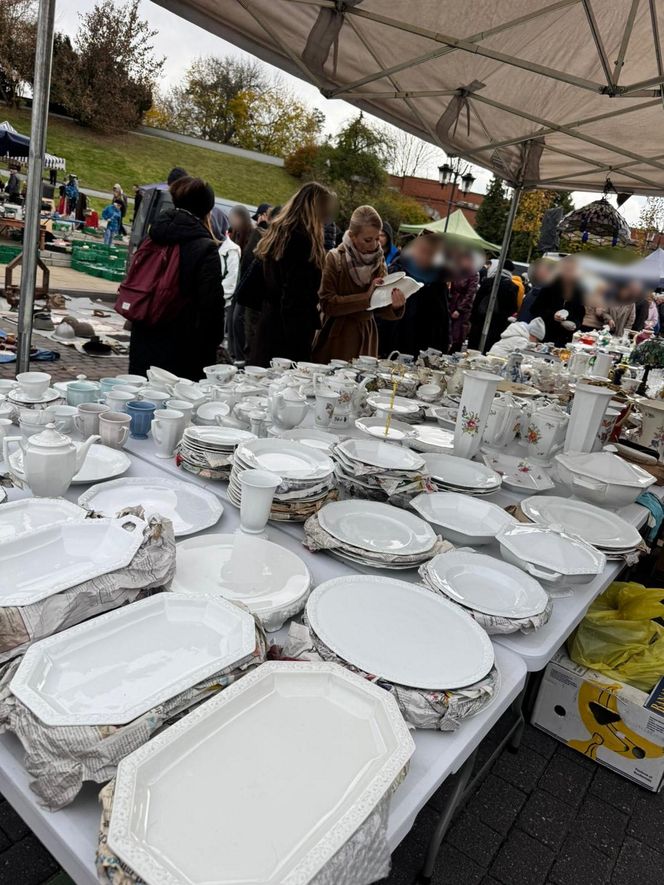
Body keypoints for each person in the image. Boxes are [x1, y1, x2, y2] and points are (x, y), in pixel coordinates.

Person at [129, 176, 224, 380]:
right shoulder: (204, 247)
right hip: (183, 346)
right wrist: (214, 343)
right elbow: (212, 305)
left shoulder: (153, 235)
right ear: (207, 209)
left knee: (141, 401)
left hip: (144, 333)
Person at [250, 181, 334, 365]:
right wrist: (300, 346)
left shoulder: (279, 235)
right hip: (287, 337)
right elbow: (295, 299)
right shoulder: (302, 243)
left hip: (268, 325)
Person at [312, 204, 406, 363]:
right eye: (368, 240)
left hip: (366, 338)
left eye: (377, 238)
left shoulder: (379, 260)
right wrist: (366, 297)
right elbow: (327, 303)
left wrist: (395, 305)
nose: (374, 245)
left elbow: (380, 306)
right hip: (336, 338)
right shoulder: (334, 258)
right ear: (352, 236)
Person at [378, 233, 449, 357]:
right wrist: (394, 309)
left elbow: (443, 321)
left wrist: (442, 348)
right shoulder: (396, 273)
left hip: (425, 351)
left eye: (432, 253)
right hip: (395, 347)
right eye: (423, 251)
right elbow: (380, 314)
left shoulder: (439, 282)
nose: (426, 256)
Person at [529, 257, 585, 347]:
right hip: (544, 336)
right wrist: (552, 316)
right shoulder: (549, 287)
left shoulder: (579, 292)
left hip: (565, 340)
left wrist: (575, 324)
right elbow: (535, 310)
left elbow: (580, 315)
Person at [468, 259, 519, 352]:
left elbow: (476, 302)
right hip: (497, 324)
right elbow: (513, 308)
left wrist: (472, 318)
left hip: (479, 321)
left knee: (473, 349)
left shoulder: (487, 281)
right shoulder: (512, 287)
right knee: (488, 350)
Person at [225, 206, 254, 358]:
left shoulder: (251, 235)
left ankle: (239, 355)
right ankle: (232, 353)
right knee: (230, 320)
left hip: (243, 285)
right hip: (235, 283)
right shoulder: (235, 234)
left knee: (237, 320)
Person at [449, 251, 480, 352]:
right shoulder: (457, 271)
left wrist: (460, 309)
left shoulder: (473, 275)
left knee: (458, 334)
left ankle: (454, 352)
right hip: (452, 303)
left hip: (462, 308)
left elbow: (470, 294)